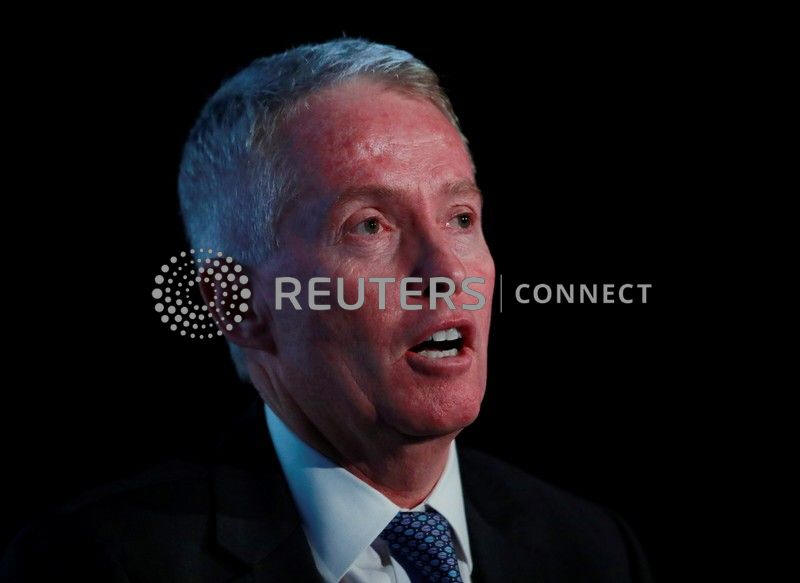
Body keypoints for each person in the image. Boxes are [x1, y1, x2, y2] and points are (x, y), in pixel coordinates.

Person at [1, 39, 652, 582]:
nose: (449, 274)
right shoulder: (100, 564)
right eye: (369, 226)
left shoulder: (592, 551)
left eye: (460, 217)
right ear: (239, 304)